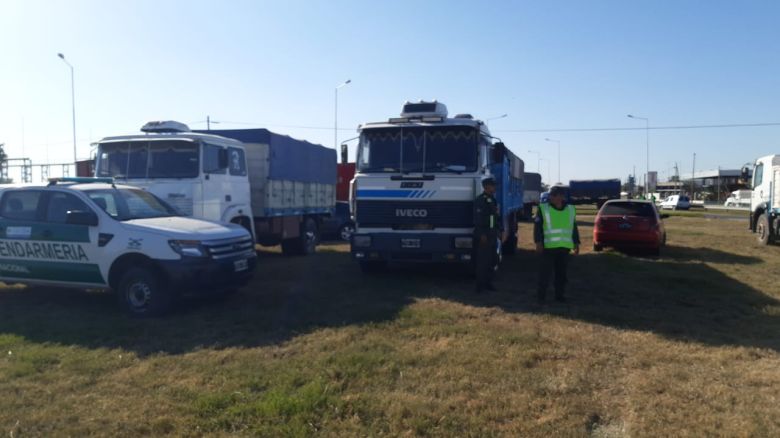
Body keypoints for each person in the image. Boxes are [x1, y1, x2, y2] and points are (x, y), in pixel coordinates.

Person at [534, 185, 579, 303]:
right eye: (551, 195)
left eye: (554, 195)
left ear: (561, 197)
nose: (551, 198)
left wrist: (576, 243)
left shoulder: (570, 209)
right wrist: (538, 242)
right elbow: (537, 227)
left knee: (561, 275)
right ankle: (541, 297)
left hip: (564, 248)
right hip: (548, 248)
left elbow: (574, 227)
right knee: (545, 274)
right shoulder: (543, 208)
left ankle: (559, 295)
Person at [474, 176, 502, 293]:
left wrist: (499, 230)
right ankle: (479, 287)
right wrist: (482, 234)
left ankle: (488, 283)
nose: (495, 187)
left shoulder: (493, 199)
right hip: (484, 235)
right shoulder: (480, 200)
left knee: (492, 260)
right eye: (493, 185)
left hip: (492, 234)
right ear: (486, 187)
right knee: (482, 262)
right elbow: (478, 218)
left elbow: (495, 217)